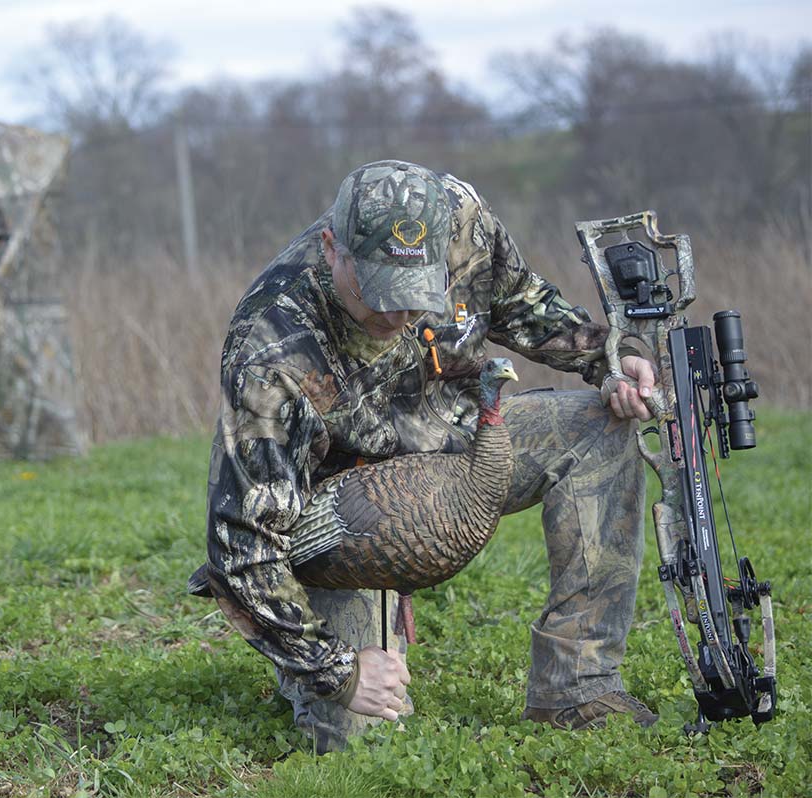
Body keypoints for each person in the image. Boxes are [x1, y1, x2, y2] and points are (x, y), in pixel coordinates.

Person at [187, 160, 659, 754]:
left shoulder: (465, 223)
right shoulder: (273, 349)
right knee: (359, 740)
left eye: (414, 299)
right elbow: (243, 547)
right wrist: (336, 669)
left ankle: (578, 688)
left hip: (464, 454)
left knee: (600, 425)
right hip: (344, 524)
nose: (397, 318)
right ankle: (325, 660)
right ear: (332, 249)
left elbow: (521, 303)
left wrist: (611, 357)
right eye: (376, 295)